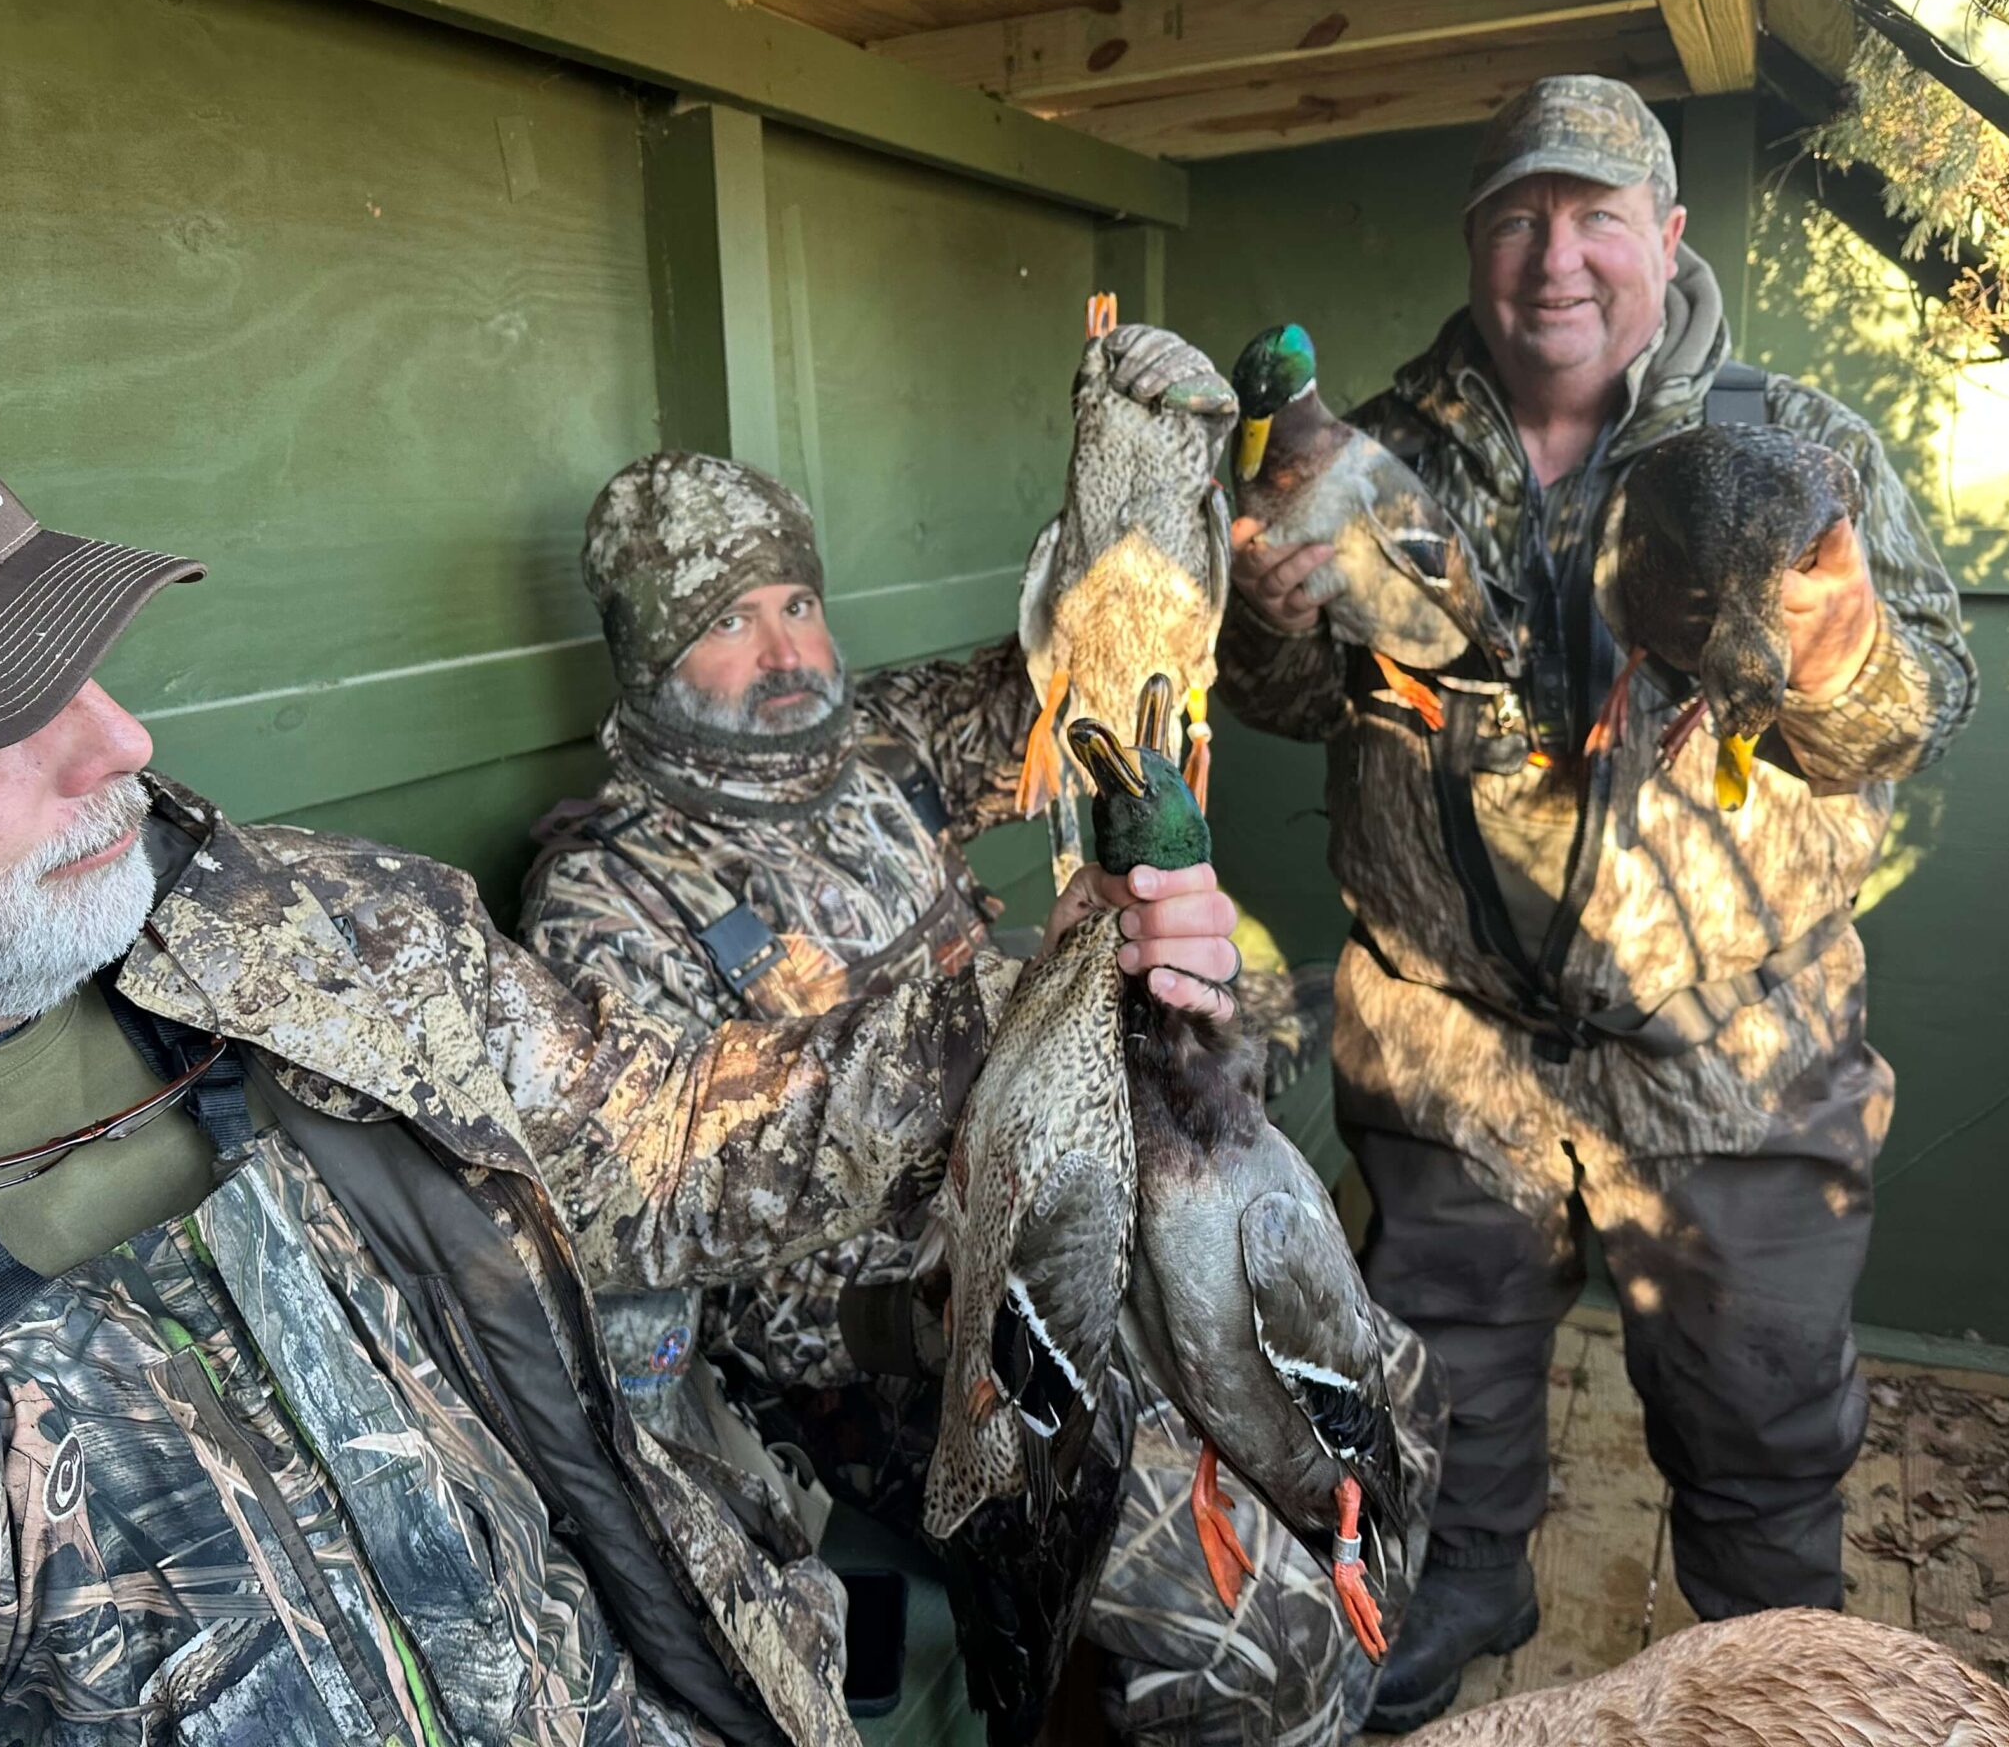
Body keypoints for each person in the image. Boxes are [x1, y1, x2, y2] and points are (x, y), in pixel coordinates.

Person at [0, 364, 1246, 1747]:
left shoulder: (324, 938)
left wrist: (1056, 1004)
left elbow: (655, 1144)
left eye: (75, 653)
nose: (117, 741)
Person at [1218, 76, 1976, 1728]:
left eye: (1594, 218)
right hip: (1448, 1039)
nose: (1553, 260)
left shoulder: (1796, 447)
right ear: (1475, 242)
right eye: (1515, 218)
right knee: (1441, 1373)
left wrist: (1833, 649)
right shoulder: (1372, 450)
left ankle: (1778, 1672)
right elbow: (1272, 697)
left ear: (1667, 239)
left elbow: (1921, 712)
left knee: (1762, 1404)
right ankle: (1466, 1584)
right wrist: (1271, 611)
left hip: (1732, 1047)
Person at [521, 442, 1443, 1746]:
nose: (786, 652)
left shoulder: (874, 755)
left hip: (1071, 1198)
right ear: (647, 656)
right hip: (900, 1340)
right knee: (1251, 1637)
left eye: (796, 603)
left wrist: (1155, 513)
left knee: (1388, 1402)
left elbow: (1081, 681)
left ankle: (1362, 1639)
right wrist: (1031, 1019)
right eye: (727, 621)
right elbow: (677, 1218)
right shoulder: (606, 901)